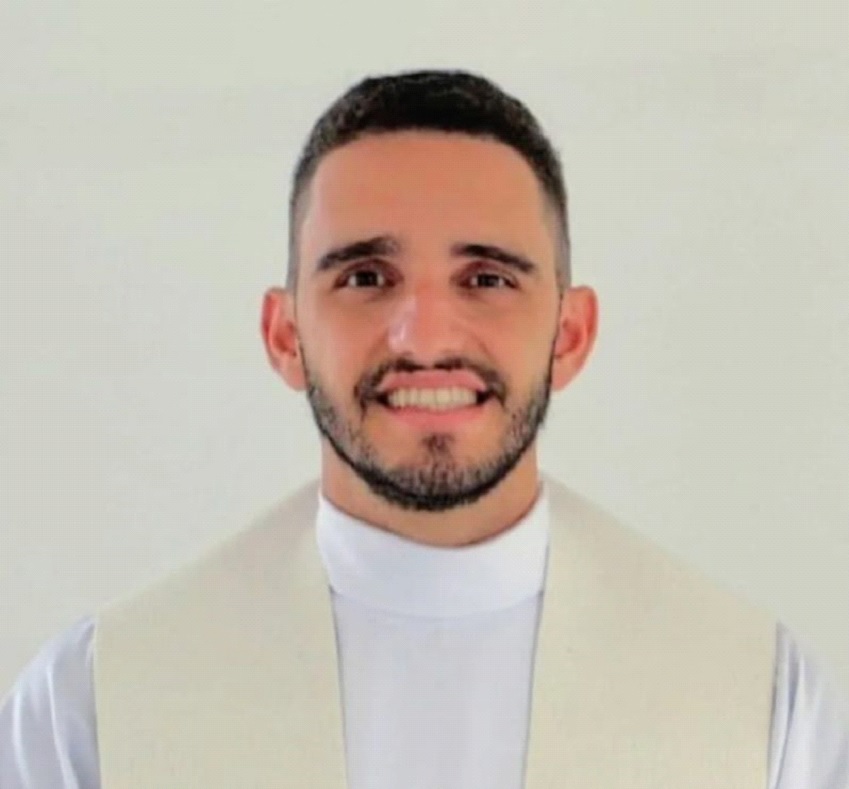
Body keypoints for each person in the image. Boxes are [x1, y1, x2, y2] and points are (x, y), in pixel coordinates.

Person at [1, 69, 847, 789]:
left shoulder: (761, 699)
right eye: (366, 276)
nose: (424, 336)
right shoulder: (94, 703)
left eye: (486, 278)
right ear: (285, 335)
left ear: (569, 335)